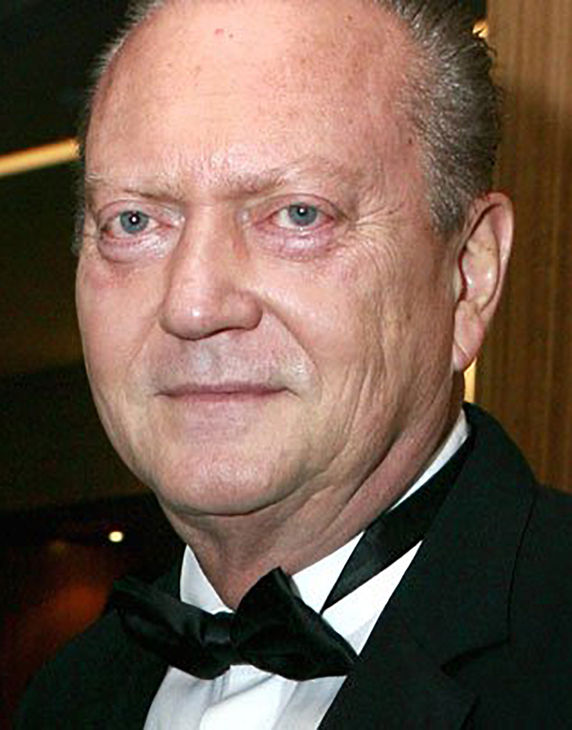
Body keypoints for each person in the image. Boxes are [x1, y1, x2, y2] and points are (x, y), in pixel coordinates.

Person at [16, 0, 572, 727]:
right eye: (135, 221)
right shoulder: (64, 698)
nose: (193, 305)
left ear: (468, 275)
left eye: (298, 215)